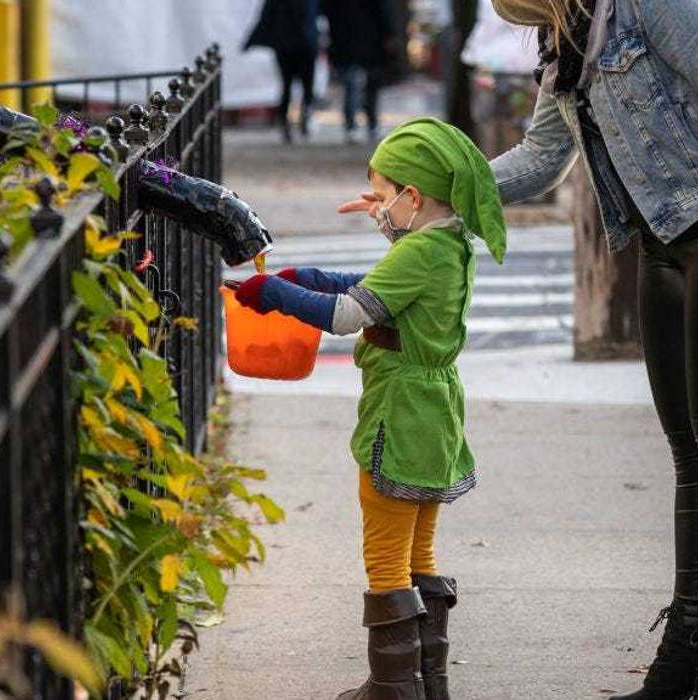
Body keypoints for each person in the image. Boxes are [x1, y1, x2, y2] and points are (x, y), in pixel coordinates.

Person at [484, 0, 698, 698]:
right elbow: (544, 156)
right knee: (689, 453)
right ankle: (685, 654)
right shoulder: (566, 29)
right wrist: (435, 192)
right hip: (665, 239)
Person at [231, 117, 507, 700]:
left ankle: (391, 688)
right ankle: (428, 683)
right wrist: (311, 276)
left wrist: (276, 294)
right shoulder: (449, 243)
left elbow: (347, 315)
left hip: (399, 416)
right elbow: (381, 285)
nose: (375, 207)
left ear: (412, 197)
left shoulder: (422, 250)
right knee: (419, 549)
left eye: (383, 196)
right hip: (437, 418)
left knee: (385, 553)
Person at [244, 0, 320, 142]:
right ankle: (301, 118)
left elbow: (266, 17)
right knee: (303, 85)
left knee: (289, 86)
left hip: (288, 46)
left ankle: (290, 121)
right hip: (302, 45)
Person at [321, 0, 394, 143]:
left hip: (352, 43)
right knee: (360, 86)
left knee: (355, 86)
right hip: (363, 42)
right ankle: (365, 125)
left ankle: (357, 126)